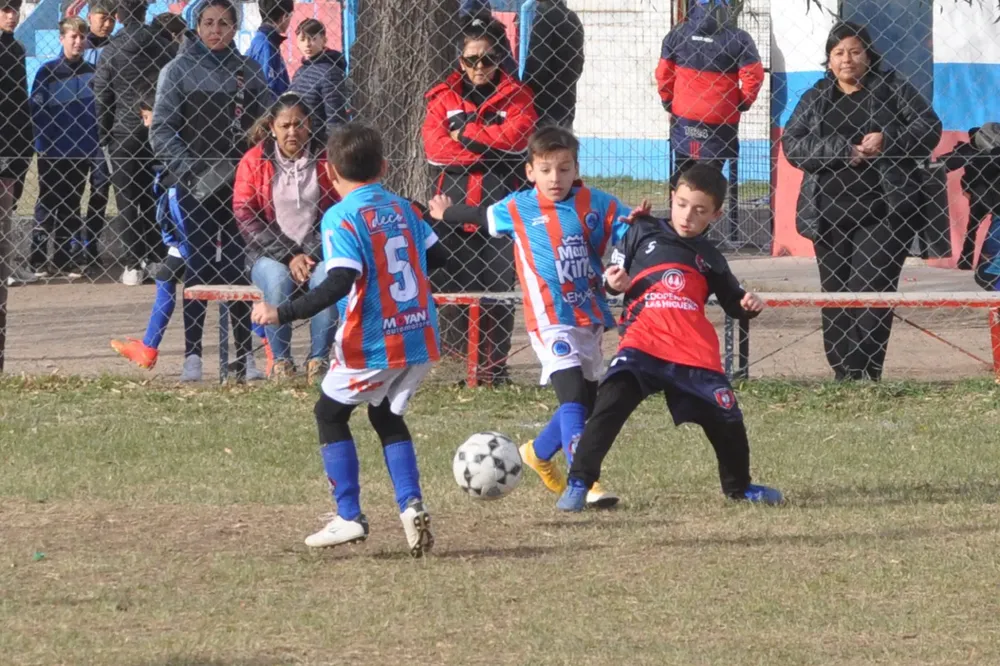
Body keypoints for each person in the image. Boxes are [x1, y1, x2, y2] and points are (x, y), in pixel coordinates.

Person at [251, 123, 447, 556]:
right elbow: (440, 257)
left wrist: (279, 312)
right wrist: (421, 217)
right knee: (384, 416)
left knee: (329, 413)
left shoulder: (340, 216)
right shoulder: (403, 207)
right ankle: (411, 505)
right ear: (384, 166)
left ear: (331, 174)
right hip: (419, 336)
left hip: (375, 342)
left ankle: (349, 517)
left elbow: (338, 282)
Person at [556, 165, 783, 511]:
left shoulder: (711, 257)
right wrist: (613, 282)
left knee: (727, 419)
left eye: (699, 210)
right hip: (643, 344)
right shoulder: (641, 230)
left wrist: (748, 305)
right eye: (681, 204)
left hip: (692, 352)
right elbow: (612, 276)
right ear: (672, 198)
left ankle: (740, 487)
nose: (687, 215)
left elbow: (734, 302)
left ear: (717, 214)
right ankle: (578, 483)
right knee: (609, 404)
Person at [429, 125, 632, 508]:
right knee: (572, 398)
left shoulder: (597, 203)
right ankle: (583, 482)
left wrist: (634, 241)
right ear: (530, 171)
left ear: (575, 169)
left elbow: (631, 231)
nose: (554, 178)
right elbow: (481, 215)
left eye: (563, 168)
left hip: (588, 315)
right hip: (549, 319)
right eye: (545, 169)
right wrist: (446, 212)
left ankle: (537, 454)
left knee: (586, 404)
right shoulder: (518, 207)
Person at [782, 22, 942, 381]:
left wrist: (889, 140)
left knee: (871, 293)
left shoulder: (891, 89)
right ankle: (844, 374)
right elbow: (793, 144)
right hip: (828, 215)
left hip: (884, 213)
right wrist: (844, 150)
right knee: (835, 296)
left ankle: (864, 371)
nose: (847, 60)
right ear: (829, 60)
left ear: (869, 55)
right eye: (838, 53)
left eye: (855, 51)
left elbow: (929, 127)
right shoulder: (817, 98)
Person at [151, 0, 274, 381]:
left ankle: (245, 357)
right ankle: (193, 356)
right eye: (207, 23)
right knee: (200, 267)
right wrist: (189, 170)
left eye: (223, 23)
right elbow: (162, 130)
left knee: (239, 269)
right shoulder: (177, 71)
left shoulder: (248, 71)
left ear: (235, 27)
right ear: (197, 26)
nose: (215, 30)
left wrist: (251, 168)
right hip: (194, 186)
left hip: (239, 187)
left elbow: (266, 123)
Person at [422, 16, 537, 386]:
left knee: (498, 291)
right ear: (460, 61)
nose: (479, 68)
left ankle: (492, 369)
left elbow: (518, 140)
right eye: (471, 60)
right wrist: (491, 148)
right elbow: (436, 152)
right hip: (452, 204)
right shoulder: (443, 97)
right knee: (453, 288)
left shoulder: (519, 96)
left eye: (486, 59)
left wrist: (465, 135)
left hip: (499, 202)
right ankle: (457, 369)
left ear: (499, 57)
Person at [235, 93, 339, 382]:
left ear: (309, 125)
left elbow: (337, 210)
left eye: (299, 124)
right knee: (278, 279)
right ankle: (281, 362)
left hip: (317, 253)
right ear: (272, 127)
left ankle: (318, 359)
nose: (292, 131)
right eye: (284, 125)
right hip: (267, 254)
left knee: (328, 279)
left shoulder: (326, 159)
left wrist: (309, 252)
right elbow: (245, 214)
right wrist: (289, 255)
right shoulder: (254, 160)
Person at [94, 0, 177, 285]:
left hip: (123, 133)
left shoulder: (112, 49)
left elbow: (103, 95)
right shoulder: (164, 44)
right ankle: (157, 256)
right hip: (158, 130)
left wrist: (104, 133)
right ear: (144, 12)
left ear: (119, 15)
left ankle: (133, 263)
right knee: (155, 194)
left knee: (127, 197)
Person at [656, 0, 764, 183]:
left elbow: (664, 73)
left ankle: (680, 205)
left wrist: (668, 102)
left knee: (683, 176)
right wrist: (742, 102)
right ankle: (707, 207)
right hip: (720, 118)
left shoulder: (677, 34)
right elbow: (753, 75)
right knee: (709, 179)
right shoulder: (739, 38)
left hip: (685, 115)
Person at [29, 16, 101, 279]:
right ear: (62, 39)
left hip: (81, 151)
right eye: (73, 36)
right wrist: (44, 144)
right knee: (47, 204)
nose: (78, 41)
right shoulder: (47, 72)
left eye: (82, 37)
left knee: (71, 204)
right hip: (52, 150)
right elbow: (36, 110)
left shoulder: (92, 74)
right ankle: (37, 258)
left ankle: (63, 258)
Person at [76, 0, 116, 269]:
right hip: (79, 130)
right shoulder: (80, 46)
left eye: (112, 18)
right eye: (102, 17)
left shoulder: (116, 48)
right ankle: (71, 246)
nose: (107, 23)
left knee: (100, 190)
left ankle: (90, 245)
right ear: (90, 17)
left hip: (107, 132)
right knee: (73, 191)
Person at [0, 0, 35, 288]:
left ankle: (8, 262)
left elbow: (19, 97)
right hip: (3, 138)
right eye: (5, 10)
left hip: (16, 139)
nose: (11, 16)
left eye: (14, 9)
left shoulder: (15, 48)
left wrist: (25, 137)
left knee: (8, 207)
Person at [521, 0, 585, 128]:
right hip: (566, 98)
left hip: (543, 102)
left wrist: (524, 89)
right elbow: (579, 62)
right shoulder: (572, 17)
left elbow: (537, 64)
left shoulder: (544, 17)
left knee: (543, 143)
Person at [289, 19, 350, 143]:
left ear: (324, 40)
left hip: (319, 143)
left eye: (312, 38)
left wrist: (329, 148)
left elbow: (335, 119)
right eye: (302, 39)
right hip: (301, 140)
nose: (307, 44)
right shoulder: (300, 71)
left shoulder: (330, 72)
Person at [246, 0, 292, 96]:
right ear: (284, 17)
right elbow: (266, 90)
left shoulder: (266, 40)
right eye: (291, 15)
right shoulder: (266, 45)